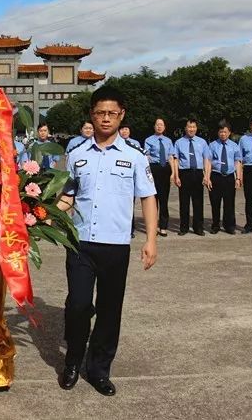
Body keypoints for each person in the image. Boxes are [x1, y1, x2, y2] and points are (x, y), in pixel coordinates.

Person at [57, 86, 158, 397]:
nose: (105, 118)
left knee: (110, 309)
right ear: (91, 114)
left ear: (121, 115)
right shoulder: (76, 155)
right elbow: (66, 197)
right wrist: (41, 217)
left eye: (111, 113)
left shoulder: (135, 156)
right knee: (78, 305)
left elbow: (148, 198)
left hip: (115, 246)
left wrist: (151, 239)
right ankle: (73, 361)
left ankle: (99, 369)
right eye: (100, 113)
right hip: (81, 243)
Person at [203, 120, 242, 234]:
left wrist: (238, 178)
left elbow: (238, 162)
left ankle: (229, 226)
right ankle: (215, 225)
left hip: (229, 177)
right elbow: (208, 161)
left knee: (229, 203)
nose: (223, 134)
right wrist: (207, 177)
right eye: (220, 132)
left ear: (229, 132)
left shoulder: (234, 146)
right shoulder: (212, 145)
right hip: (216, 176)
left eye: (225, 132)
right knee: (215, 202)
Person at [171, 119, 209, 236]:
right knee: (184, 202)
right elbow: (176, 160)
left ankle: (198, 228)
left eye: (193, 127)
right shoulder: (179, 142)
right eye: (189, 127)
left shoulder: (202, 142)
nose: (191, 129)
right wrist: (176, 176)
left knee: (198, 202)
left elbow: (206, 159)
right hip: (184, 173)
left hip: (197, 173)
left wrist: (206, 175)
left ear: (196, 128)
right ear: (185, 128)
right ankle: (184, 228)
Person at [144, 118, 174, 237]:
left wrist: (173, 173)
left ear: (164, 127)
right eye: (157, 124)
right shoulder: (149, 140)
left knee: (164, 199)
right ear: (154, 126)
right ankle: (153, 226)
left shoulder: (168, 141)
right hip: (154, 168)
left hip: (165, 168)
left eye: (161, 125)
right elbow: (146, 156)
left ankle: (163, 226)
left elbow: (171, 157)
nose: (159, 127)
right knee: (153, 199)